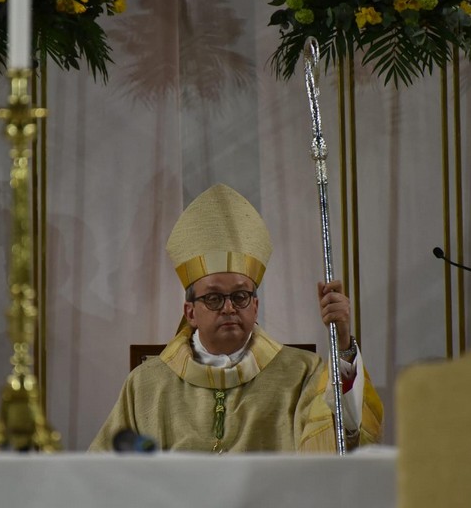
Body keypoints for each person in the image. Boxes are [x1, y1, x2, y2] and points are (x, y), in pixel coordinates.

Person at [90, 184, 383, 452]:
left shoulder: (302, 374)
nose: (229, 308)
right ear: (190, 312)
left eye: (240, 296)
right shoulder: (147, 383)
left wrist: (342, 340)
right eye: (214, 298)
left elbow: (344, 440)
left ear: (255, 306)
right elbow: (106, 472)